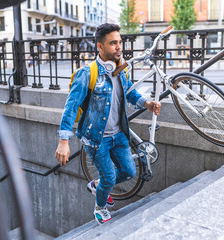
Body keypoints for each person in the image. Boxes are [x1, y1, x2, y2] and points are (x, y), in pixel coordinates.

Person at [55, 23, 161, 225]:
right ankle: (100, 206)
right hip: (97, 139)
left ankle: (97, 184)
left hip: (120, 134)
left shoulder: (120, 70)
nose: (119, 47)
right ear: (100, 47)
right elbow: (70, 107)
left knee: (129, 172)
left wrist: (146, 103)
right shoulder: (87, 74)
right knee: (110, 178)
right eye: (113, 43)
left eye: (119, 42)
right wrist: (64, 140)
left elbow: (129, 92)